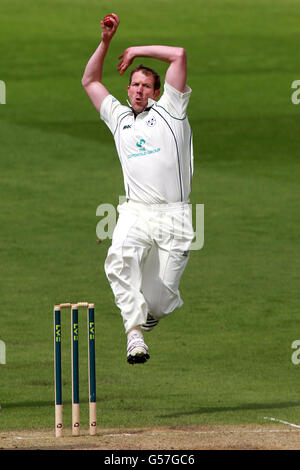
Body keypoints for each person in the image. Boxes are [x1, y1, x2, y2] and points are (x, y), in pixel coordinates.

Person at [82, 13, 195, 365]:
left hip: (174, 215)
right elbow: (89, 81)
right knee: (117, 260)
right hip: (135, 211)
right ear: (127, 89)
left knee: (158, 302)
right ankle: (134, 336)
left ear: (158, 92)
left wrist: (136, 49)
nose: (139, 91)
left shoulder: (172, 110)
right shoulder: (118, 118)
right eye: (134, 85)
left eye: (146, 86)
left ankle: (149, 314)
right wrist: (106, 41)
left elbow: (178, 54)